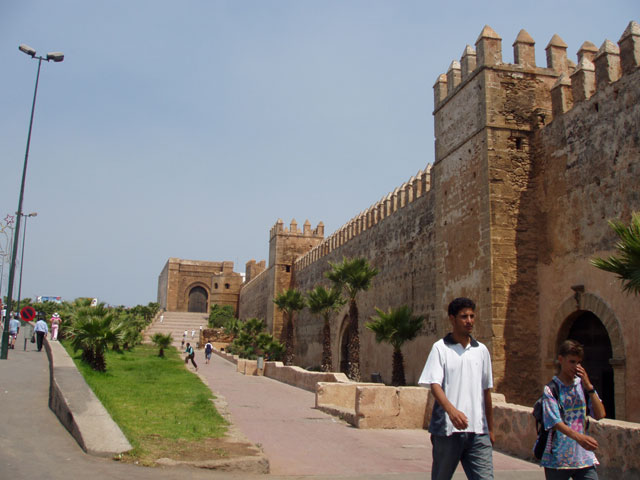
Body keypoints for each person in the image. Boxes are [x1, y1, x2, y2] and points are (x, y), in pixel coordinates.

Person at [418, 297, 494, 480]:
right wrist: (452, 412)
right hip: (447, 431)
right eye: (464, 317)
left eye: (472, 316)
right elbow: (434, 385)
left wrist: (490, 429)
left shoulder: (481, 350)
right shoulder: (440, 348)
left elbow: (486, 390)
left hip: (478, 432)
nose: (469, 321)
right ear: (452, 319)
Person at [539, 339, 606, 480]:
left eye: (578, 362)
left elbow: (600, 414)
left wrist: (589, 387)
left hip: (583, 458)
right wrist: (580, 438)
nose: (576, 366)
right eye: (572, 362)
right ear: (561, 360)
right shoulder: (551, 389)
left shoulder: (582, 386)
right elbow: (555, 422)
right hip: (557, 459)